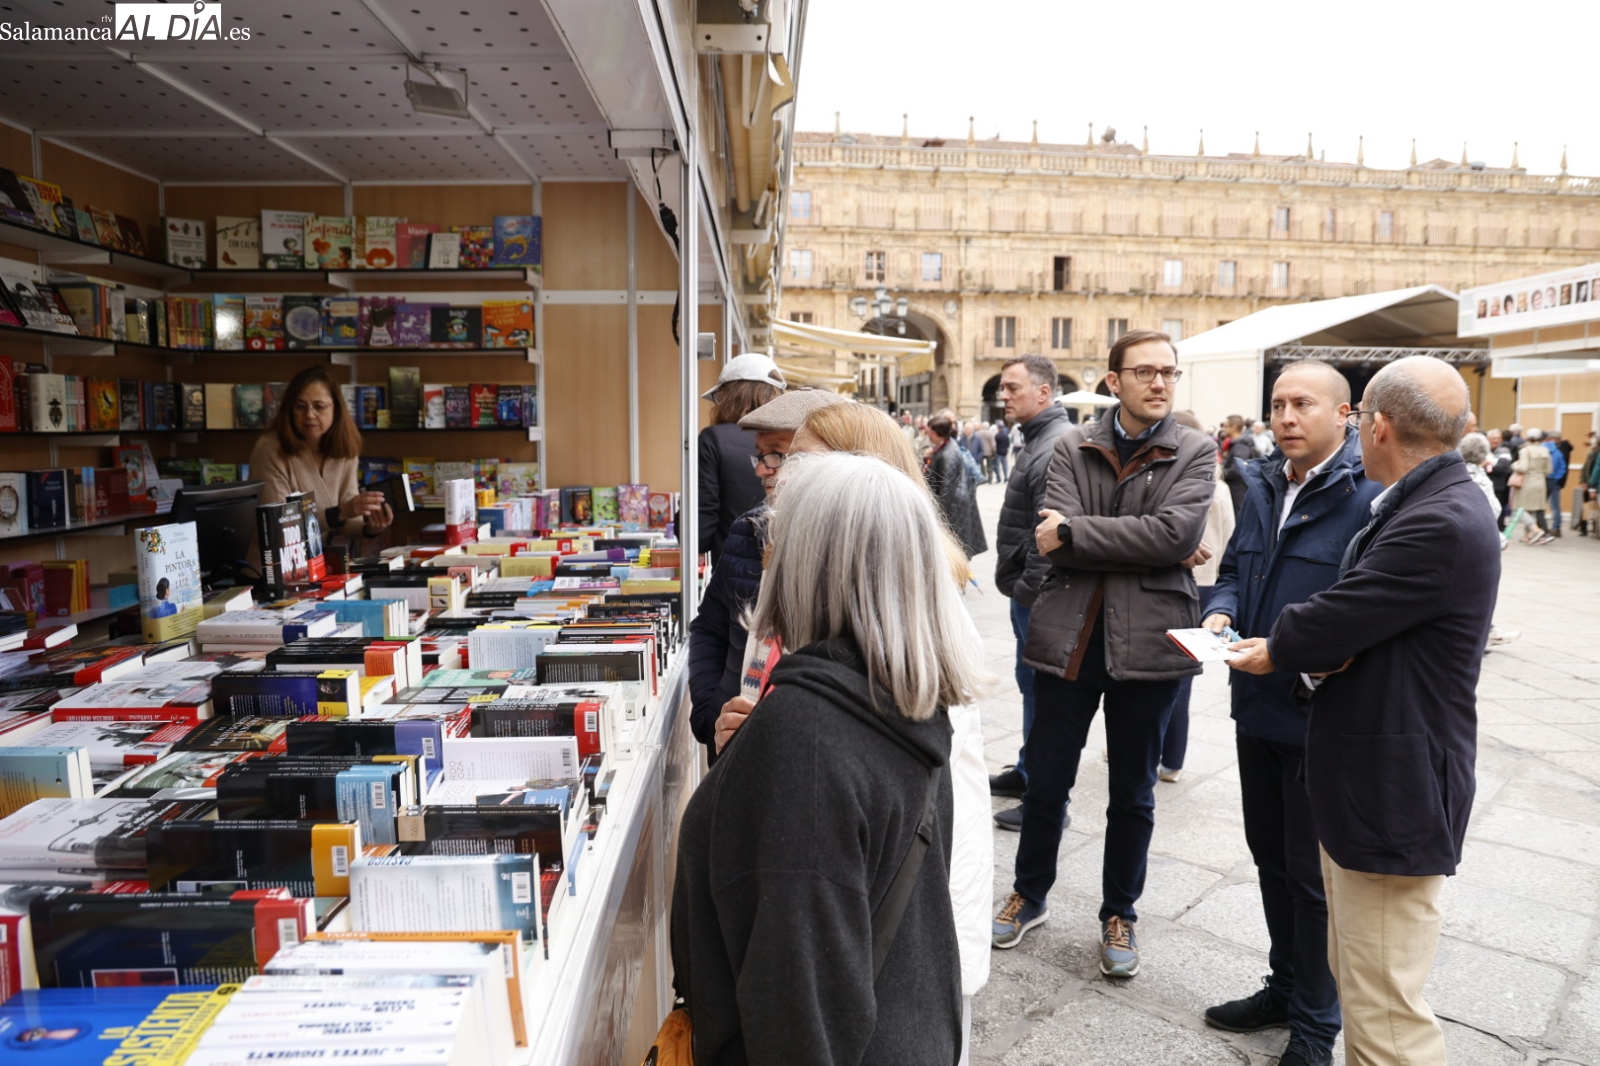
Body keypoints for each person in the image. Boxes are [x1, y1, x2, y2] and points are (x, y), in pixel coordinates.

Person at [670, 451, 986, 1066]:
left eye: (779, 542)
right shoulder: (898, 693)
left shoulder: (806, 737)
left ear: (810, 564)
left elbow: (796, 1003)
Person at [1227, 355, 1499, 1066]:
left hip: (1393, 793)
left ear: (1372, 426)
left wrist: (1283, 645)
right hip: (1373, 775)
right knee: (1373, 987)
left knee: (1384, 1023)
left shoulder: (1436, 518)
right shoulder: (1434, 501)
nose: (1285, 417)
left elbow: (1332, 620)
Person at [760, 402, 993, 1063]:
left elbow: (946, 790)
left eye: (797, 462)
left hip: (903, 945)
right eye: (778, 459)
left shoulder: (915, 604)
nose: (776, 475)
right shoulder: (851, 603)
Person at [991, 328, 1216, 979]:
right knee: (1046, 782)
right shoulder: (1070, 445)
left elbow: (1177, 531)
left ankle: (1121, 912)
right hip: (1068, 638)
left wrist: (1085, 534)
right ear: (1113, 381)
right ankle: (1028, 895)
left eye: (1169, 372)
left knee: (1134, 791)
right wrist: (1148, 542)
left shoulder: (1195, 449)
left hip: (1149, 643)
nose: (1160, 383)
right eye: (1145, 371)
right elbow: (1052, 535)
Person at [1198, 361, 1381, 1066]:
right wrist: (1217, 614)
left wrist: (1295, 658)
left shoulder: (1370, 493)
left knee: (1312, 882)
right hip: (1257, 706)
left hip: (1319, 717)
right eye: (1277, 403)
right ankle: (1286, 984)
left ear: (1346, 414)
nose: (1285, 416)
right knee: (1271, 861)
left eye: (1302, 403)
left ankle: (1314, 1027)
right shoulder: (1261, 480)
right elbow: (1239, 573)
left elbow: (1360, 610)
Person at [686, 388, 849, 762]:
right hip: (732, 748)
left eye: (778, 453)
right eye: (759, 455)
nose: (761, 469)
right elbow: (709, 628)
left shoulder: (856, 550)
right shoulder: (749, 531)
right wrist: (712, 713)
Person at [989, 355, 1073, 833]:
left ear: (1044, 392)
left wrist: (1027, 590)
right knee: (1031, 690)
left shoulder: (1052, 445)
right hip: (1029, 593)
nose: (1004, 395)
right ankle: (1028, 771)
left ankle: (1046, 798)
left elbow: (1051, 531)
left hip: (1037, 596)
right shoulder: (1040, 438)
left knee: (1042, 695)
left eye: (1012, 387)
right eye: (1003, 387)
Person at [1161, 409, 1237, 785]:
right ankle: (1172, 758)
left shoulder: (1173, 486)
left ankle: (1161, 752)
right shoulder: (1219, 488)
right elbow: (1231, 541)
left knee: (1166, 672)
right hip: (1208, 585)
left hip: (1179, 582)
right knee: (1184, 676)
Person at [248, 366, 393, 562]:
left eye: (319, 406)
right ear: (289, 409)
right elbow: (280, 526)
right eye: (300, 406)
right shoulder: (271, 449)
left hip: (315, 564)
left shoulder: (345, 449)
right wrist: (340, 512)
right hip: (273, 566)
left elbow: (348, 520)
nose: (309, 415)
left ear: (336, 408)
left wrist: (369, 528)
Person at [697, 353, 785, 563]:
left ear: (729, 396)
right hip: (784, 563)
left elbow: (699, 530)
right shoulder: (793, 438)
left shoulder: (714, 439)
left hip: (732, 567)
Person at [1460, 432, 1520, 646]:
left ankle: (1486, 631)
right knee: (1478, 590)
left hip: (1461, 541)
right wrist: (1501, 539)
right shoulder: (1479, 479)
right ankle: (1483, 633)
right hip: (1478, 543)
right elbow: (1487, 513)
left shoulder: (1457, 474)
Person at [923, 413, 987, 558]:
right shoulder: (943, 447)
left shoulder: (948, 454)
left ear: (934, 433)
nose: (927, 434)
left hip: (954, 511)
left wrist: (939, 519)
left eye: (929, 431)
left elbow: (946, 489)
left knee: (953, 554)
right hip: (955, 506)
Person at [1512, 428, 1553, 544]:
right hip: (1541, 482)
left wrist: (1514, 465)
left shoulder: (1525, 450)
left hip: (1527, 482)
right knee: (1537, 509)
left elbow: (1523, 468)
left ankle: (1536, 531)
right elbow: (1549, 470)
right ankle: (1527, 535)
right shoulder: (1545, 450)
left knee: (1520, 508)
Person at [1222, 414, 1259, 515]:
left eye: (1226, 426)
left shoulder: (1240, 446)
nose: (1223, 429)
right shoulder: (1237, 445)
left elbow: (1238, 469)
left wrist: (1222, 475)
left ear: (1233, 428)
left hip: (1239, 489)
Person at [1486, 428, 1514, 529]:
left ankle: (1499, 532)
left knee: (1498, 510)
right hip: (1484, 486)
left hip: (1498, 486)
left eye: (1498, 438)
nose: (1496, 440)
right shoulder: (1484, 450)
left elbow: (1502, 467)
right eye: (1493, 438)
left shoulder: (1504, 451)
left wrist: (1486, 466)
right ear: (1487, 439)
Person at [1545, 431, 1570, 536]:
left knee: (1543, 505)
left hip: (1546, 479)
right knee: (1555, 505)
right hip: (1554, 480)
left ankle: (1542, 527)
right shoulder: (1559, 451)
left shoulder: (1546, 450)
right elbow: (1563, 468)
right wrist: (1557, 477)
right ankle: (1556, 528)